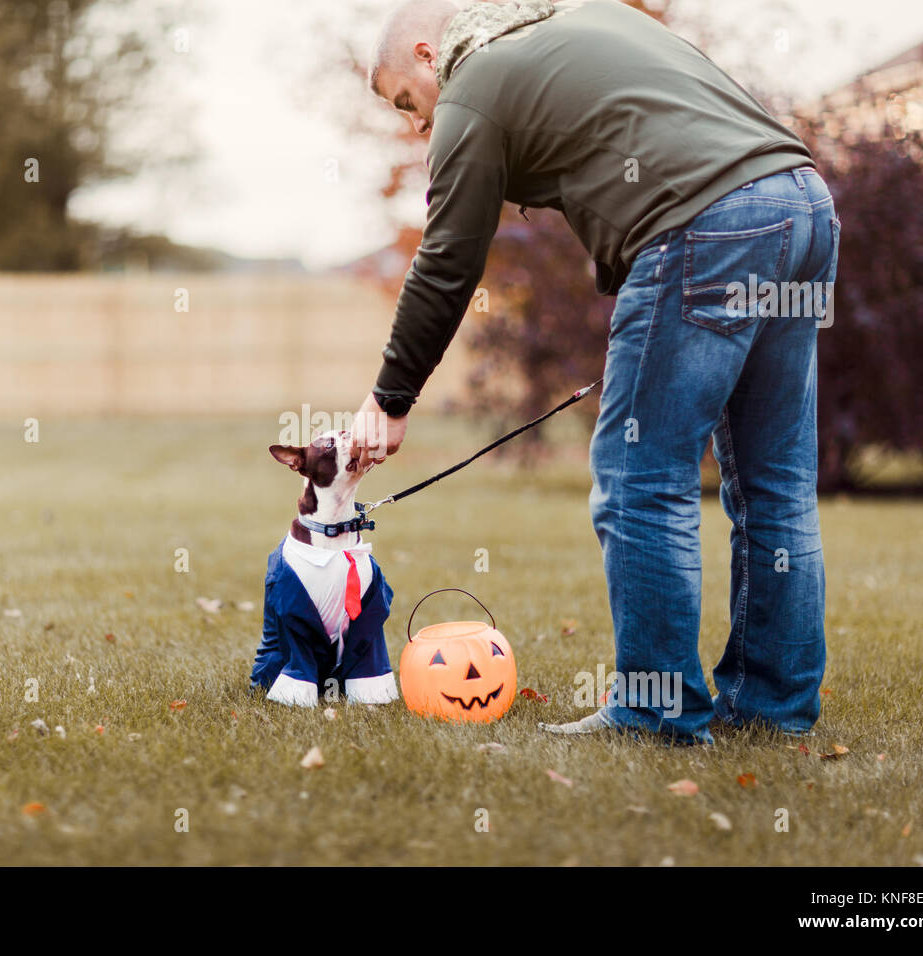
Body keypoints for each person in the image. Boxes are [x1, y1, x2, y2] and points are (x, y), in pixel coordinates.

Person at [348, 0, 839, 744]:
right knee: (777, 484)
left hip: (707, 221)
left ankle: (658, 712)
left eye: (410, 104)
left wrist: (390, 397)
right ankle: (774, 712)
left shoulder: (473, 81)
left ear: (428, 53)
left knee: (642, 477)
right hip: (800, 204)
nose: (420, 126)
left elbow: (448, 257)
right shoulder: (588, 20)